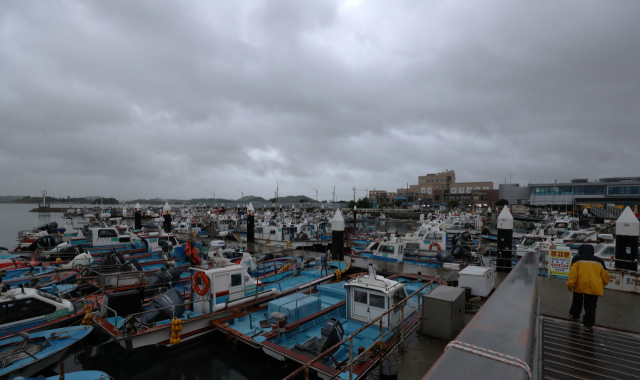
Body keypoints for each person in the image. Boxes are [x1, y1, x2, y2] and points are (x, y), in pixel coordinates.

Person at [566, 244, 610, 332]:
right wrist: (603, 284)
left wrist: (570, 285)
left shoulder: (577, 259)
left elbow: (573, 273)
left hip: (579, 285)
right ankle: (588, 325)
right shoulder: (599, 261)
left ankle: (575, 316)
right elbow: (605, 276)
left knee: (577, 302)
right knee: (591, 306)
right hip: (593, 287)